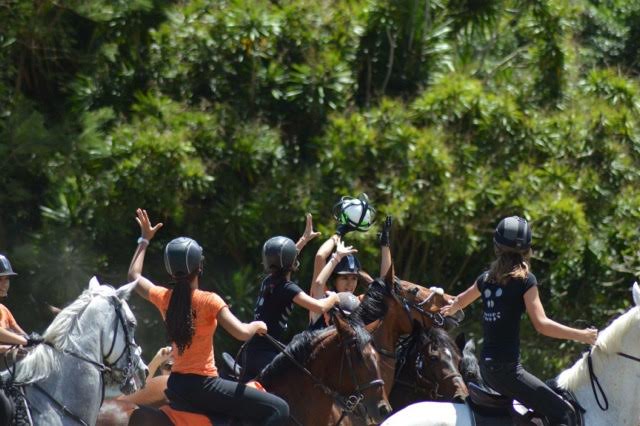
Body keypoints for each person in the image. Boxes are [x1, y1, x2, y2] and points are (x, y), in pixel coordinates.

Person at [128, 208, 289, 425]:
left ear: (170, 269)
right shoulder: (209, 300)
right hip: (205, 386)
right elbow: (241, 333)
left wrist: (144, 239)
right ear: (200, 266)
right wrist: (257, 325)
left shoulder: (164, 297)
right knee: (279, 408)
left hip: (176, 385)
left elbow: (134, 276)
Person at [440, 216, 598, 426]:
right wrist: (582, 335)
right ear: (527, 250)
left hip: (486, 369)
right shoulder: (525, 281)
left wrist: (444, 305)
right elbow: (542, 325)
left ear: (496, 247)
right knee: (565, 414)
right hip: (508, 372)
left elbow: (459, 301)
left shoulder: (485, 279)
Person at [241, 213, 341, 382]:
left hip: (252, 352)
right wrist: (335, 297)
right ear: (292, 263)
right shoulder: (288, 288)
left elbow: (284, 258)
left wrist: (304, 239)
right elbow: (320, 307)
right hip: (265, 355)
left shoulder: (268, 281)